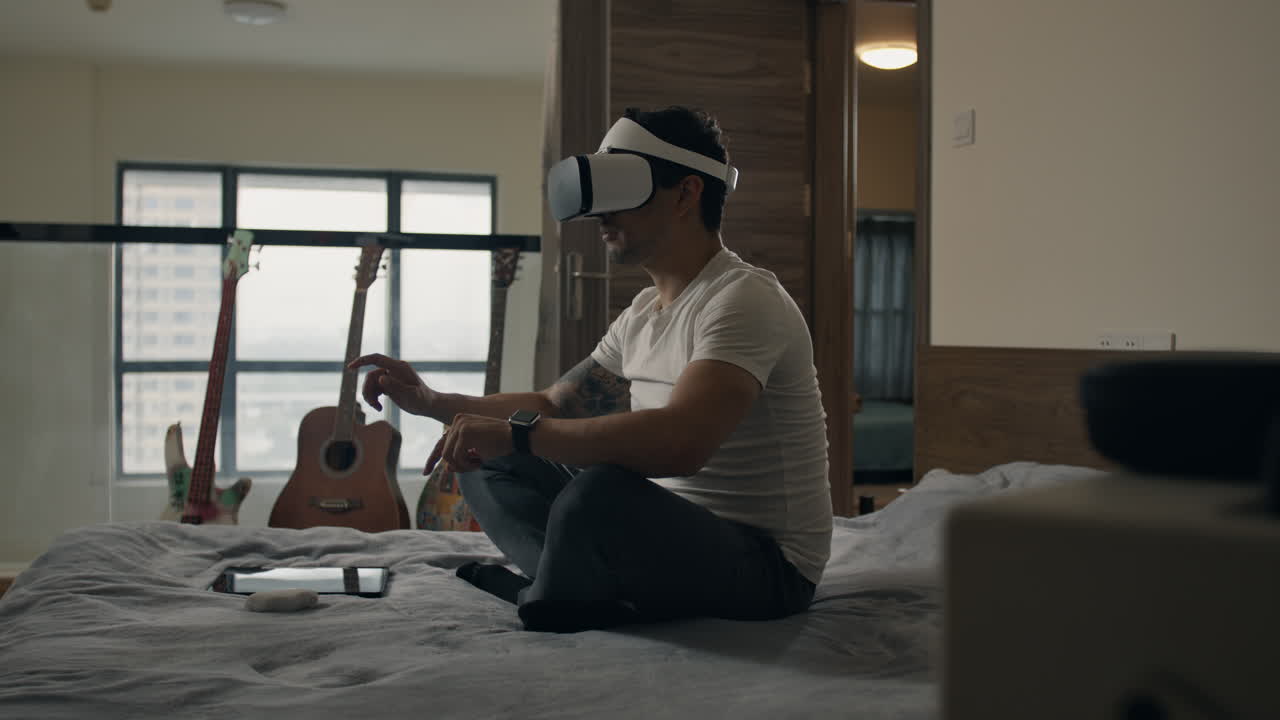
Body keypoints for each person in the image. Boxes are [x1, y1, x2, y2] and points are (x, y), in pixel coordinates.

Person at [349, 106, 831, 633]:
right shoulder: (645, 311)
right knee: (480, 455)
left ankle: (554, 592)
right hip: (669, 540)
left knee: (598, 493)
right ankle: (572, 589)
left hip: (767, 569)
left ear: (687, 194)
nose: (601, 213)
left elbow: (682, 444)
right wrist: (434, 403)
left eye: (620, 188)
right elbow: (556, 405)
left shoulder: (743, 298)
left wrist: (519, 437)